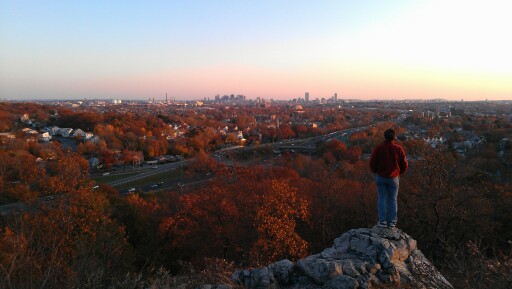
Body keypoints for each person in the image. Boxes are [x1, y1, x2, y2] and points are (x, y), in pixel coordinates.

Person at [369, 128, 408, 229]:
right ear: (394, 138)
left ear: (384, 137)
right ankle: (392, 223)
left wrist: (375, 171)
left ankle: (382, 221)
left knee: (381, 199)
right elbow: (404, 164)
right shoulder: (398, 149)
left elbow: (372, 162)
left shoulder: (379, 148)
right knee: (393, 200)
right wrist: (399, 173)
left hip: (380, 177)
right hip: (394, 178)